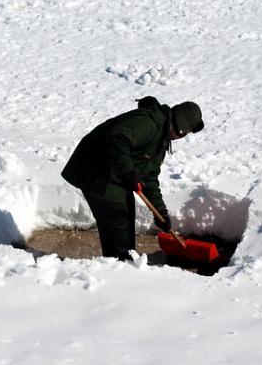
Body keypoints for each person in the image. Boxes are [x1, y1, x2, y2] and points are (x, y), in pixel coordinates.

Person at [61, 96, 204, 260]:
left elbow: (149, 178)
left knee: (127, 211)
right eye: (179, 133)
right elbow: (118, 138)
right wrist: (128, 173)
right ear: (177, 124)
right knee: (116, 215)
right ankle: (118, 264)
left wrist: (161, 213)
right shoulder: (149, 123)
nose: (177, 137)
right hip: (95, 170)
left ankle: (126, 259)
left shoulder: (161, 138)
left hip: (114, 173)